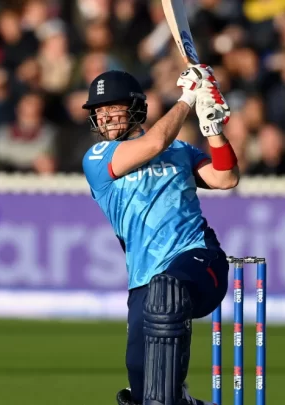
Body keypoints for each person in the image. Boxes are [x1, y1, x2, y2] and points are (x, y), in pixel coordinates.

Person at [81, 65, 239, 405]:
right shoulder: (96, 158)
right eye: (99, 111)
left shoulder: (180, 149)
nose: (105, 117)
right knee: (146, 395)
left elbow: (225, 178)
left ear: (136, 106)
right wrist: (188, 98)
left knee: (167, 291)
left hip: (199, 260)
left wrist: (212, 128)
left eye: (112, 107)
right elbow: (154, 142)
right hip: (144, 279)